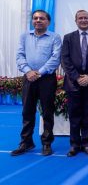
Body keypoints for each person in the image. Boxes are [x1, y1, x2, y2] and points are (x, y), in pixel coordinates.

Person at [11, 10, 62, 156]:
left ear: (48, 21)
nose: (38, 20)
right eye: (35, 18)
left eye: (42, 18)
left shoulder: (55, 37)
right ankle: (26, 142)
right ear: (32, 21)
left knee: (47, 112)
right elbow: (20, 55)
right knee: (27, 111)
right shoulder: (24, 36)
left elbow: (55, 58)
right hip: (28, 78)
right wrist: (28, 71)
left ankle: (46, 143)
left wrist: (39, 72)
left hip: (46, 79)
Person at [61, 10, 88, 157]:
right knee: (74, 115)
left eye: (86, 18)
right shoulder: (68, 38)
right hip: (73, 83)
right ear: (76, 21)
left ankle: (86, 143)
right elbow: (65, 60)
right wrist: (77, 77)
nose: (83, 20)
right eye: (80, 18)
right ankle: (74, 144)